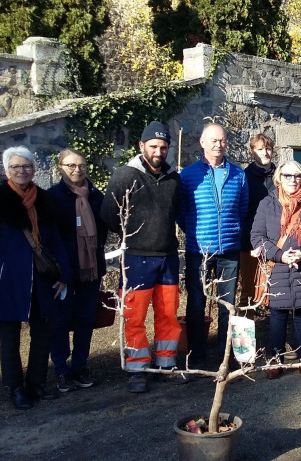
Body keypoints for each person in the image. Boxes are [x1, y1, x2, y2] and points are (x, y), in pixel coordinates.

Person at [0, 146, 71, 409]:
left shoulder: (43, 200)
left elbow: (55, 241)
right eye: (16, 167)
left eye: (26, 166)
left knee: (43, 333)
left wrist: (63, 274)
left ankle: (36, 384)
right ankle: (16, 388)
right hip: (8, 281)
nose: (22, 171)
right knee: (9, 337)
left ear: (34, 169)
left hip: (41, 279)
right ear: (7, 171)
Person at [100, 121, 184, 393]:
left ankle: (166, 364)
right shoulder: (125, 175)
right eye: (153, 146)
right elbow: (109, 216)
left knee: (168, 314)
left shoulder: (174, 179)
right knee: (134, 315)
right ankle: (137, 368)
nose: (159, 151)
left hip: (168, 256)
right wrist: (134, 236)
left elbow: (177, 213)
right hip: (136, 258)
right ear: (141, 146)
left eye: (163, 147)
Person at [178, 123, 249, 369]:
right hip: (199, 251)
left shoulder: (238, 174)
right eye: (213, 140)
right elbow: (181, 211)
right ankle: (197, 357)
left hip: (229, 250)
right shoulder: (187, 175)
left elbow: (242, 208)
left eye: (222, 140)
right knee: (196, 303)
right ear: (202, 142)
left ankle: (225, 356)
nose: (218, 145)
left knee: (227, 304)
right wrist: (197, 233)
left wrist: (232, 232)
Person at [251, 160, 301, 380]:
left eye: (297, 176)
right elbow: (256, 237)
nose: (293, 180)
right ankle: (276, 360)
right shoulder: (267, 204)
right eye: (287, 176)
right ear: (278, 179)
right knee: (278, 314)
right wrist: (279, 254)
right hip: (277, 268)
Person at [48, 148, 108, 392]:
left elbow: (104, 228)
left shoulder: (96, 196)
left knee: (85, 318)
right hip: (63, 272)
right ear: (61, 168)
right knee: (61, 320)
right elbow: (50, 237)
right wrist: (60, 271)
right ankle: (61, 370)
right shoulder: (52, 197)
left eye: (81, 165)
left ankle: (80, 366)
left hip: (90, 270)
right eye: (71, 165)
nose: (77, 170)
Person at [239, 133, 277, 308]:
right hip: (249, 243)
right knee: (248, 291)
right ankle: (245, 336)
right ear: (252, 151)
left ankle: (276, 335)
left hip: (276, 242)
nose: (265, 152)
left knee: (275, 292)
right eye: (260, 149)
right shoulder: (243, 177)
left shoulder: (281, 177)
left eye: (268, 148)